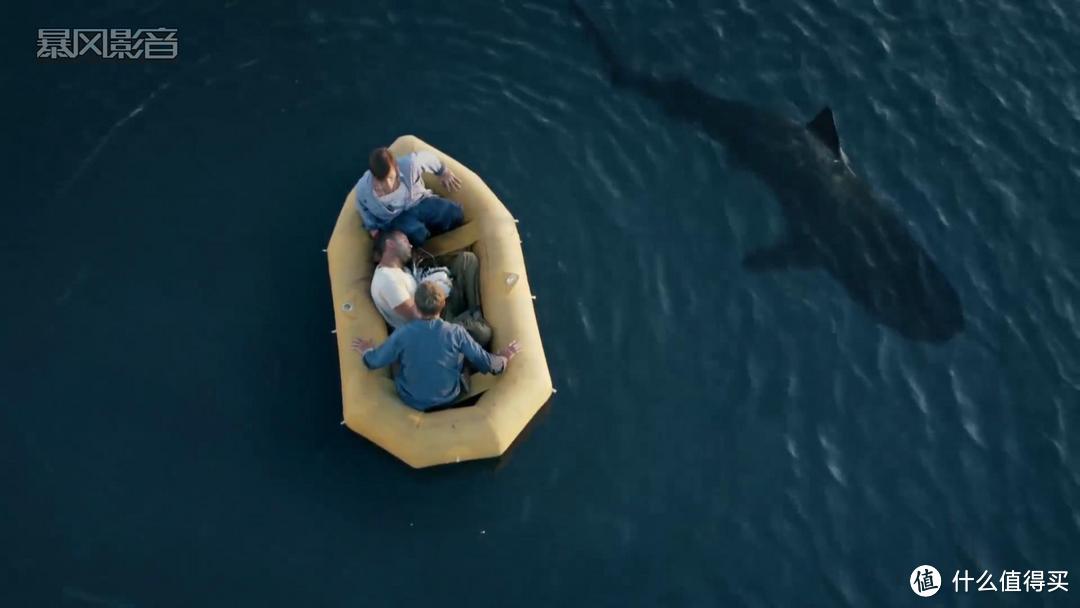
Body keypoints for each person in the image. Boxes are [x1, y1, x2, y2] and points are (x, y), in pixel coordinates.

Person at [352, 282, 522, 411]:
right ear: (443, 305)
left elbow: (372, 362)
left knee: (398, 356)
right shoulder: (456, 332)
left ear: (416, 306)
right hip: (450, 396)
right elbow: (490, 365)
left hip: (410, 398)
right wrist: (506, 356)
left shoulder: (402, 334)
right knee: (463, 355)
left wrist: (366, 350)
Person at [370, 230, 492, 347]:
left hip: (439, 307)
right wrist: (440, 293)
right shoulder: (388, 280)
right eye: (405, 241)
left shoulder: (401, 270)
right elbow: (418, 316)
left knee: (467, 260)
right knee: (482, 332)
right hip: (432, 327)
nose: (410, 245)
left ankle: (474, 312)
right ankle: (471, 319)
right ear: (390, 244)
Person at [355, 147, 465, 246]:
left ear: (396, 167)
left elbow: (427, 158)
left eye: (390, 177)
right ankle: (423, 251)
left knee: (454, 213)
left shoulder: (410, 164)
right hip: (395, 219)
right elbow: (363, 207)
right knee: (417, 233)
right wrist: (372, 228)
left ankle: (441, 232)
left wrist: (443, 172)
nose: (388, 185)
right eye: (381, 181)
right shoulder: (364, 189)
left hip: (419, 202)